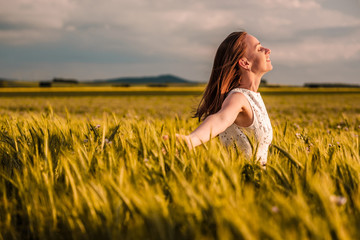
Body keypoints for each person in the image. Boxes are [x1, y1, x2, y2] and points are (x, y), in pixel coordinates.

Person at [177, 31, 273, 167]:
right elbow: (220, 119)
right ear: (245, 63)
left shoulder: (252, 97)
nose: (267, 50)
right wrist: (191, 140)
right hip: (241, 181)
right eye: (259, 48)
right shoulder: (238, 97)